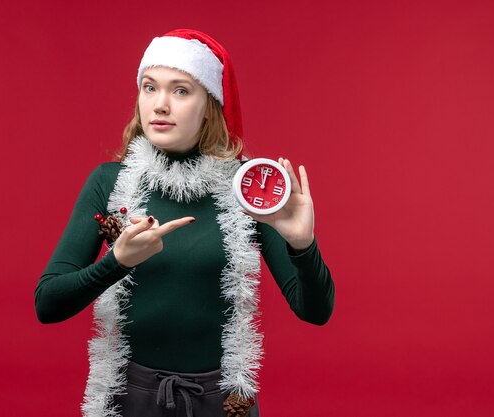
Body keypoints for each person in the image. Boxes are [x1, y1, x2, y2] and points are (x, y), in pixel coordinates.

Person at [35, 29, 335, 417]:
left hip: (222, 402)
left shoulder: (248, 186)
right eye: (149, 87)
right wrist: (117, 262)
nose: (160, 105)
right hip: (129, 399)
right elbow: (47, 304)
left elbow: (315, 312)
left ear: (210, 105)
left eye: (180, 91)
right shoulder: (109, 183)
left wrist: (302, 245)